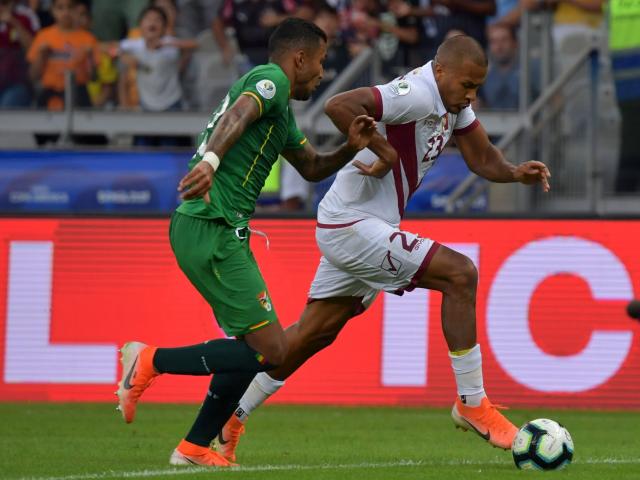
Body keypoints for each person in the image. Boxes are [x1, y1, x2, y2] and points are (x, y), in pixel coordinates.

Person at [214, 34, 551, 462]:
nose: (471, 95)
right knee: (460, 273)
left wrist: (514, 172)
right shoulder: (416, 93)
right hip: (351, 224)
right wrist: (385, 149)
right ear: (441, 70)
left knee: (314, 333)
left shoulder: (454, 103)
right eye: (467, 85)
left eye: (477, 88)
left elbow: (482, 158)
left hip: (363, 224)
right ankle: (472, 403)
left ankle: (232, 417)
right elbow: (340, 105)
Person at [116, 17, 378, 468]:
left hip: (216, 227)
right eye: (319, 62)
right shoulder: (269, 79)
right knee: (272, 350)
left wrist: (350, 147)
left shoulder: (281, 113)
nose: (321, 73)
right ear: (299, 58)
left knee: (251, 349)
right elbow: (239, 114)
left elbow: (312, 167)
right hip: (212, 224)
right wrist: (213, 161)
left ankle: (194, 448)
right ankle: (150, 360)